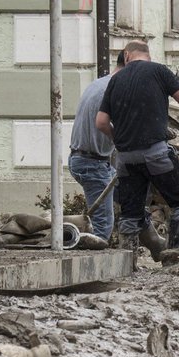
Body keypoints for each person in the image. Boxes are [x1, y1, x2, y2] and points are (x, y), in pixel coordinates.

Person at [95, 40, 179, 263]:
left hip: (126, 159)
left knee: (131, 212)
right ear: (147, 55)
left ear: (127, 55)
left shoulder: (116, 80)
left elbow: (101, 122)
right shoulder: (159, 71)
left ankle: (127, 262)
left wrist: (120, 141)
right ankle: (174, 256)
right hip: (156, 154)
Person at [68, 52, 123, 242]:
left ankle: (152, 243)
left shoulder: (100, 83)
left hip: (86, 158)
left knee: (128, 197)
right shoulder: (113, 89)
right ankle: (97, 261)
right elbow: (109, 124)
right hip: (91, 162)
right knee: (104, 223)